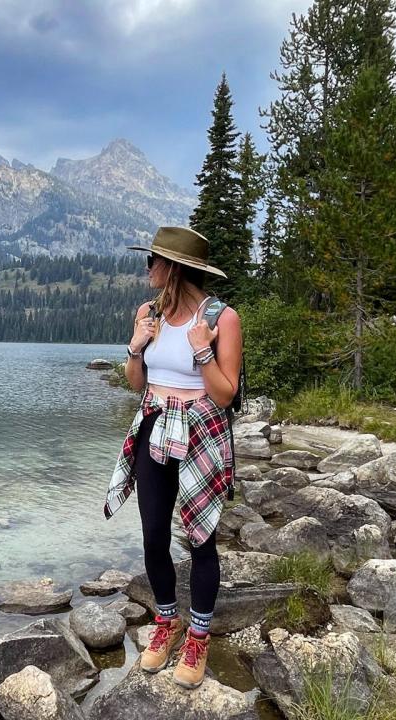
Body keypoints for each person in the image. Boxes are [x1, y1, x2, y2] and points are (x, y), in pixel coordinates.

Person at [104, 226, 242, 690]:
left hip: (201, 430)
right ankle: (167, 621)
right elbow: (135, 383)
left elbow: (225, 394)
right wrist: (135, 346)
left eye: (153, 262)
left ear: (174, 269)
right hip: (153, 424)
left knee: (201, 537)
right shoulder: (148, 313)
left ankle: (198, 633)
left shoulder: (223, 318)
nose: (147, 270)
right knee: (152, 534)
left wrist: (202, 348)